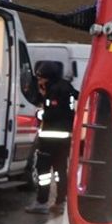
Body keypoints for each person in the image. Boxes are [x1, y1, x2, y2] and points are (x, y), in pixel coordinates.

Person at [26, 61, 77, 215]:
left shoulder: (54, 90)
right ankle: (60, 202)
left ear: (48, 77)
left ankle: (41, 202)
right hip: (64, 138)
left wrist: (39, 114)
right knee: (60, 170)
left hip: (50, 138)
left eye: (41, 78)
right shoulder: (67, 87)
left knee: (43, 171)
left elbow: (54, 113)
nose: (39, 81)